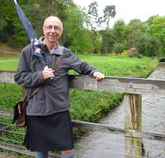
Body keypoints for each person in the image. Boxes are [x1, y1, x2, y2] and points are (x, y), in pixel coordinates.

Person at [14, 16, 104, 158]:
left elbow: (81, 65)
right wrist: (40, 76)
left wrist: (94, 71)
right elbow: (19, 77)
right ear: (43, 29)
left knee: (68, 151)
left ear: (61, 32)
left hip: (59, 110)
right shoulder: (29, 51)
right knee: (41, 150)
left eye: (56, 28)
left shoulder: (65, 53)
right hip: (36, 111)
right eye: (49, 27)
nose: (52, 31)